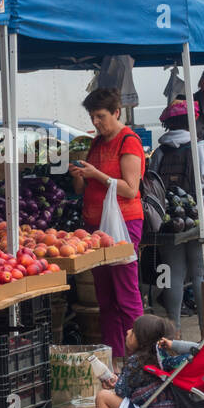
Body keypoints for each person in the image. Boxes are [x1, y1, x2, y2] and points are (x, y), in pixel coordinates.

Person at [69, 87, 145, 368]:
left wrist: (96, 174)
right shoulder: (97, 142)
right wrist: (80, 176)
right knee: (105, 298)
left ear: (116, 112)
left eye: (101, 116)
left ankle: (142, 357)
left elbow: (130, 188)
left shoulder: (129, 141)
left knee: (126, 292)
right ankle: (115, 359)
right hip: (95, 227)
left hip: (124, 225)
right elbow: (86, 187)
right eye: (92, 117)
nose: (96, 122)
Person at [149, 100, 204, 325]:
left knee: (173, 274)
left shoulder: (159, 153)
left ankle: (173, 328)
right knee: (202, 273)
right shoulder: (202, 148)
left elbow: (152, 186)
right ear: (194, 120)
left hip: (169, 220)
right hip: (202, 217)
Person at [79, 315, 198, 408]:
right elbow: (199, 348)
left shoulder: (136, 362)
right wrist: (174, 345)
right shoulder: (166, 360)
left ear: (143, 341)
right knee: (132, 401)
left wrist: (114, 383)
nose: (128, 331)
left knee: (103, 397)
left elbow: (121, 391)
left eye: (133, 331)